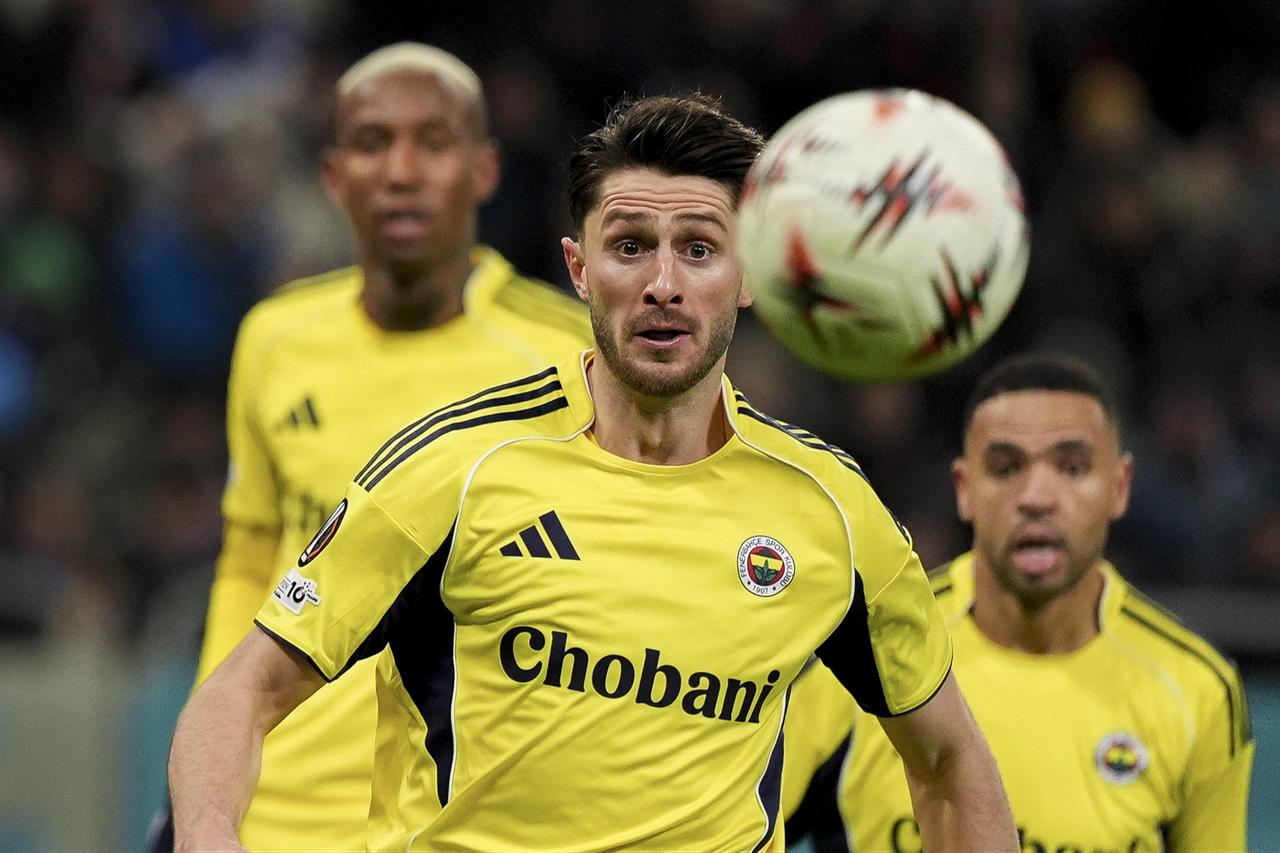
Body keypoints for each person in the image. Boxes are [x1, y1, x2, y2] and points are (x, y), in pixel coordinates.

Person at [168, 92, 1016, 852]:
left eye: (699, 248)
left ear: (749, 273)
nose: (662, 284)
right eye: (630, 246)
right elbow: (243, 690)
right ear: (579, 270)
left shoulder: (831, 510)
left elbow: (949, 761)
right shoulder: (455, 467)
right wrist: (208, 835)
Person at [175, 42, 593, 852]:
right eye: (372, 143)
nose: (401, 170)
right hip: (273, 814)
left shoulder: (569, 356)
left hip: (456, 816)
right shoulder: (274, 338)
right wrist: (206, 772)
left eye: (433, 143)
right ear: (334, 176)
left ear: (482, 171)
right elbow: (250, 558)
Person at [783, 352, 1255, 852]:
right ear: (965, 490)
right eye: (1006, 468)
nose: (1036, 496)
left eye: (1072, 467)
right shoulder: (865, 651)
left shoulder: (1197, 691)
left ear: (1120, 487)